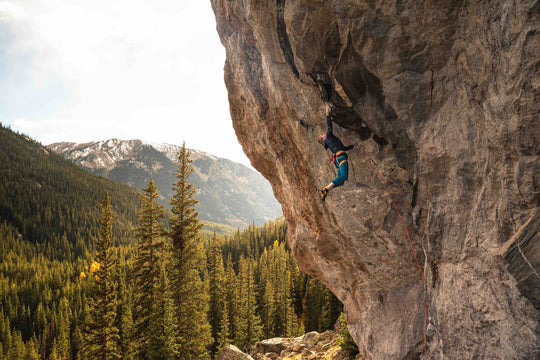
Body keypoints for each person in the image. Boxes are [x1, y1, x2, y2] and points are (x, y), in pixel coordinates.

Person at [319, 104, 353, 201]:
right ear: (323, 138)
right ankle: (326, 188)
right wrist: (327, 114)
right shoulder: (328, 137)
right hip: (341, 158)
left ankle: (328, 189)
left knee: (341, 181)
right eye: (322, 134)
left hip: (338, 159)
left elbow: (343, 148)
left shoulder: (329, 143)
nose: (324, 133)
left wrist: (353, 146)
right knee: (344, 176)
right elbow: (329, 126)